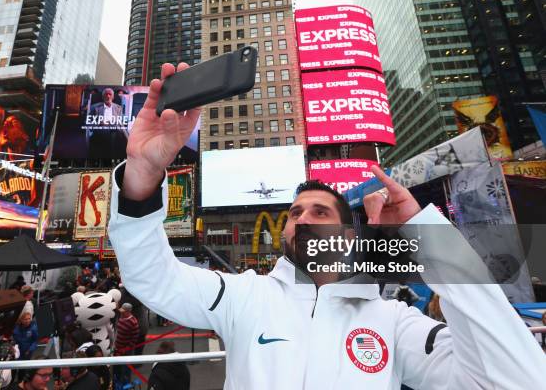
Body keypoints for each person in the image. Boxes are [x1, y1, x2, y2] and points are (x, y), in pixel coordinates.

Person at [107, 62, 545, 388]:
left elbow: (515, 378)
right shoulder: (244, 295)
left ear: (349, 236)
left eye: (320, 212)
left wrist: (429, 238)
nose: (303, 220)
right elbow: (152, 280)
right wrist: (142, 175)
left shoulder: (394, 321)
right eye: (296, 214)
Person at [87, 88, 127, 158]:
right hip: (100, 130)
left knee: (118, 136)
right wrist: (99, 123)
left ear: (113, 97)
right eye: (106, 94)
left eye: (110, 94)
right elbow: (88, 122)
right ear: (103, 97)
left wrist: (128, 138)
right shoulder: (95, 107)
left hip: (114, 131)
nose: (108, 96)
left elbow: (121, 123)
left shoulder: (118, 108)